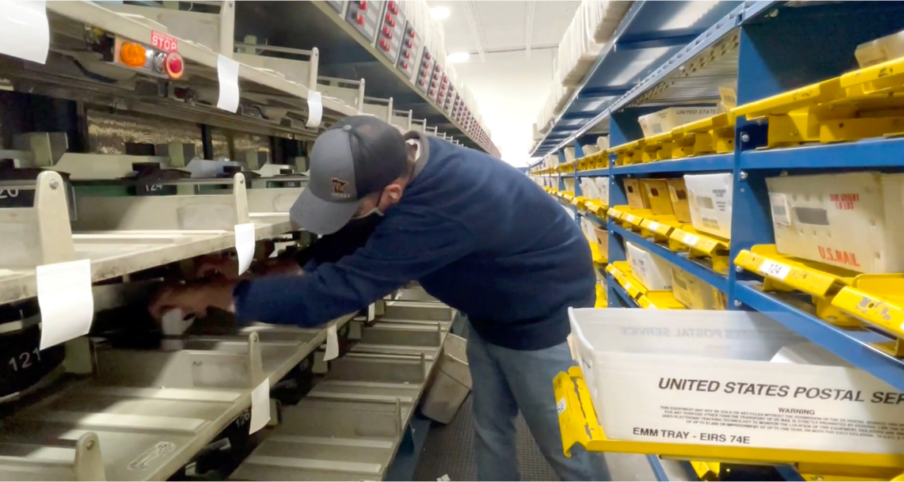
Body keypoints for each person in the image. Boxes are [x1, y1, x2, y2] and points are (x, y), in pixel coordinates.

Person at [150, 116, 612, 482]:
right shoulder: (408, 166)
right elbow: (363, 231)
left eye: (350, 204)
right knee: (490, 426)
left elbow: (333, 295)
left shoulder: (442, 206)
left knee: (565, 444)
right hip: (492, 305)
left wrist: (217, 294)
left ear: (391, 192)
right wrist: (276, 268)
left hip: (541, 313)